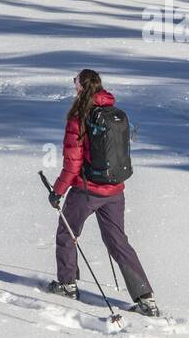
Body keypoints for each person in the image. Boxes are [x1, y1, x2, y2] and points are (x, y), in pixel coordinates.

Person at [46, 68, 159, 317]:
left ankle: (67, 284)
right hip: (115, 191)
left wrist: (58, 191)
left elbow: (73, 163)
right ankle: (145, 298)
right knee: (118, 241)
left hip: (87, 190)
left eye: (75, 82)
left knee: (67, 233)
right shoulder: (114, 112)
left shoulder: (79, 117)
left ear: (80, 87)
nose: (74, 86)